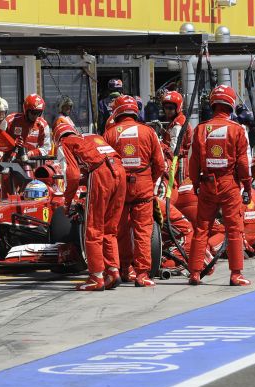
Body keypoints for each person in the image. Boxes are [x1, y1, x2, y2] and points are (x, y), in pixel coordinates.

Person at [188, 85, 252, 286]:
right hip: (229, 184)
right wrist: (247, 186)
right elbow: (243, 163)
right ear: (231, 104)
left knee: (201, 229)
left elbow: (193, 161)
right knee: (234, 229)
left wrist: (196, 183)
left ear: (213, 103)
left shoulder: (200, 128)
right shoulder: (237, 130)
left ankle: (195, 273)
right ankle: (236, 274)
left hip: (207, 183)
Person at [53, 122, 126, 291]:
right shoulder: (93, 137)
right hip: (120, 171)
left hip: (101, 173)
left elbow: (71, 175)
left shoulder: (65, 144)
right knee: (110, 229)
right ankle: (113, 271)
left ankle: (96, 277)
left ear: (58, 138)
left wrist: (68, 201)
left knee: (93, 228)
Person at [103, 96, 165, 287]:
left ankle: (123, 268)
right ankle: (142, 274)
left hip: (119, 187)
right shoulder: (149, 132)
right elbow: (160, 164)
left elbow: (104, 165)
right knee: (143, 231)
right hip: (143, 187)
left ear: (118, 112)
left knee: (118, 231)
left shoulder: (109, 134)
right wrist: (149, 180)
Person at [161, 91, 192, 185]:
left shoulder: (178, 124)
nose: (167, 111)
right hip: (179, 159)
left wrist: (162, 148)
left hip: (180, 161)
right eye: (165, 108)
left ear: (178, 108)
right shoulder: (176, 120)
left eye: (170, 108)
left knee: (180, 187)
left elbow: (174, 149)